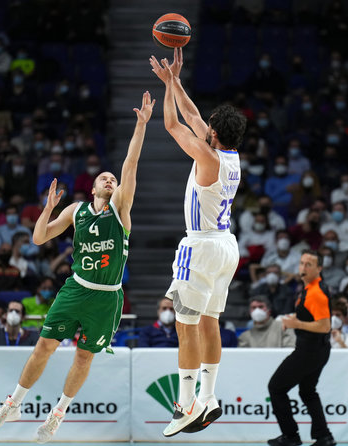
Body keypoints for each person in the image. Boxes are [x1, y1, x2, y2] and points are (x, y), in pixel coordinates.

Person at [0, 90, 154, 443]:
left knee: (83, 357)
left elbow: (130, 164)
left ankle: (57, 415)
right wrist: (48, 207)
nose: (111, 180)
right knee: (44, 346)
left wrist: (141, 125)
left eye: (114, 180)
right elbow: (38, 239)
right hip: (76, 288)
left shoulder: (121, 210)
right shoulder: (76, 211)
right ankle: (13, 403)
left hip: (106, 297)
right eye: (105, 178)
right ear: (92, 187)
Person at [150, 48, 247, 436]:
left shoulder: (207, 159)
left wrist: (168, 88)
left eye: (208, 125)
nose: (203, 123)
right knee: (210, 322)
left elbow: (175, 124)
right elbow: (193, 117)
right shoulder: (231, 155)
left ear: (214, 133)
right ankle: (209, 396)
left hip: (202, 246)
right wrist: (174, 80)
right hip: (226, 247)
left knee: (184, 325)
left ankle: (185, 403)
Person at [267, 250, 335, 446]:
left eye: (309, 265)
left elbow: (324, 326)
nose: (303, 268)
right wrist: (296, 320)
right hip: (318, 350)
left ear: (319, 268)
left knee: (276, 388)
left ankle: (291, 436)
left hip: (309, 351)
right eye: (302, 263)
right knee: (307, 391)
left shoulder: (316, 292)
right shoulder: (309, 288)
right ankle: (324, 437)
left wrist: (296, 324)